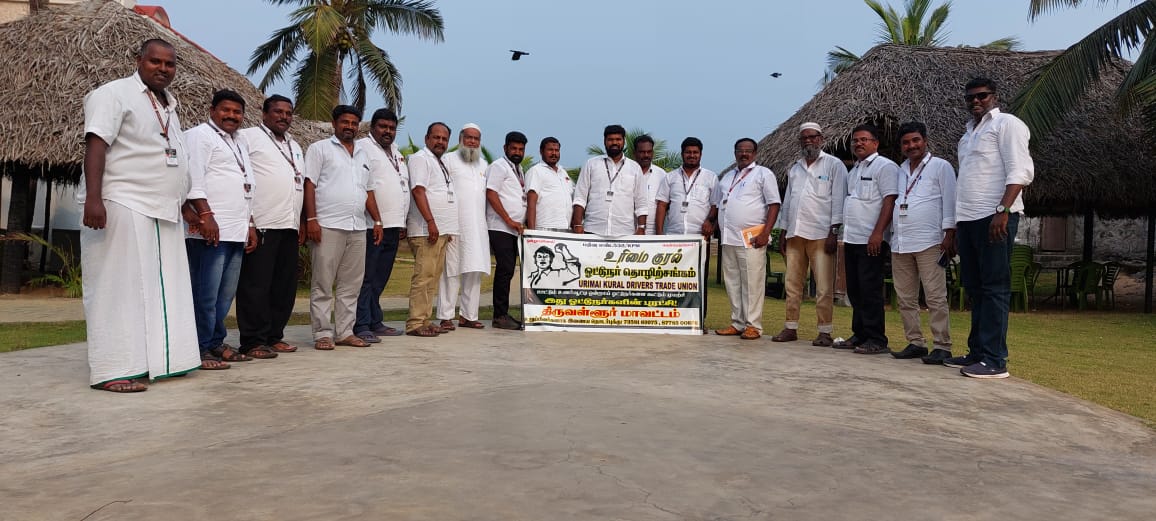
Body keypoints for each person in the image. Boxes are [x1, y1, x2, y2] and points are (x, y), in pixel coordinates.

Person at [78, 38, 201, 392]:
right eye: (155, 61)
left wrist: (184, 204)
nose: (163, 69)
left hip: (163, 211)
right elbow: (96, 144)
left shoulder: (169, 104)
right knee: (118, 289)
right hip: (122, 202)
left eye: (169, 64)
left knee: (164, 291)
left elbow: (168, 157)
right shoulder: (113, 94)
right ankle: (112, 369)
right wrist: (94, 199)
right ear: (139, 60)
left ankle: (163, 361)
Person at [948, 77, 1034, 379]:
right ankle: (977, 352)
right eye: (970, 97)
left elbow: (1020, 171)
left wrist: (1003, 210)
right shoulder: (967, 136)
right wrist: (957, 225)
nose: (976, 101)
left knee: (995, 288)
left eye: (982, 96)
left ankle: (995, 360)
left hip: (994, 217)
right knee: (975, 287)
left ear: (994, 96)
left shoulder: (1007, 124)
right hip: (969, 219)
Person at [183, 89, 261, 366]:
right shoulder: (199, 136)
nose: (231, 116)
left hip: (235, 230)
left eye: (237, 112)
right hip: (209, 230)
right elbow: (193, 179)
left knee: (224, 296)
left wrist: (249, 224)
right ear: (212, 110)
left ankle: (215, 341)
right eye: (226, 110)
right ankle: (200, 347)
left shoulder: (238, 141)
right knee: (205, 294)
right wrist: (205, 215)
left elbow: (246, 186)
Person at [301, 105, 383, 350]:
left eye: (354, 123)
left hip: (357, 226)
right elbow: (309, 184)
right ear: (334, 123)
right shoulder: (319, 149)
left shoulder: (363, 154)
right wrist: (311, 219)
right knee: (323, 283)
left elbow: (368, 190)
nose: (350, 127)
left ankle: (345, 331)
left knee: (351, 284)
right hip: (328, 224)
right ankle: (322, 333)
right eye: (345, 122)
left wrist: (377, 220)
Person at [236, 95, 305, 357]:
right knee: (256, 286)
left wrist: (302, 221)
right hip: (263, 223)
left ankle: (274, 336)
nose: (283, 117)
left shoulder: (294, 145)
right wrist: (250, 220)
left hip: (289, 225)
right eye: (278, 112)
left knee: (284, 286)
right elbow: (240, 175)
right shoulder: (248, 137)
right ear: (264, 114)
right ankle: (253, 341)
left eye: (288, 113)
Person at [771, 122, 847, 347]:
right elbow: (788, 202)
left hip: (821, 233)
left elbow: (839, 200)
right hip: (795, 233)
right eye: (804, 138)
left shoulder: (834, 165)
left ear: (821, 139)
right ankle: (790, 327)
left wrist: (834, 232)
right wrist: (783, 231)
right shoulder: (795, 168)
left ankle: (825, 331)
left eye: (812, 137)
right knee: (792, 284)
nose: (808, 141)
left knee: (823, 286)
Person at [889, 121, 957, 365]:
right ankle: (915, 342)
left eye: (915, 140)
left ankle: (942, 345)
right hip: (901, 242)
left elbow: (950, 201)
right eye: (906, 142)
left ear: (925, 141)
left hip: (930, 241)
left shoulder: (940, 166)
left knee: (935, 296)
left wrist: (949, 234)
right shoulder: (899, 170)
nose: (911, 146)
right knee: (905, 297)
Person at [710, 138, 780, 340]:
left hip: (752, 237)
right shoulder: (727, 177)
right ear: (735, 153)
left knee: (752, 282)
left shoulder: (763, 174)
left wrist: (766, 233)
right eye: (740, 150)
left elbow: (774, 204)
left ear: (755, 153)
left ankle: (753, 325)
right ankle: (737, 323)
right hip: (729, 238)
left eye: (748, 150)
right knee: (733, 282)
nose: (744, 154)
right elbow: (719, 204)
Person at [837, 124, 899, 355]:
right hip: (852, 237)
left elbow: (890, 200)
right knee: (855, 289)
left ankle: (876, 338)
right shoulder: (854, 170)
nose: (858, 143)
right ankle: (860, 333)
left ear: (875, 143)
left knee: (870, 289)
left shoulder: (885, 167)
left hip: (871, 238)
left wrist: (878, 233)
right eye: (855, 140)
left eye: (864, 139)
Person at [353, 108, 409, 343]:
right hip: (372, 226)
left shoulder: (396, 152)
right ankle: (361, 324)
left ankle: (375, 320)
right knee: (366, 278)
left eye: (392, 128)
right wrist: (376, 219)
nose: (388, 131)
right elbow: (365, 186)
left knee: (380, 277)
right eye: (383, 127)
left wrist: (402, 221)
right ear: (372, 127)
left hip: (394, 225)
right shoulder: (363, 148)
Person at [405, 122, 458, 337]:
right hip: (425, 230)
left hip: (440, 231)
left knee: (432, 278)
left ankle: (425, 320)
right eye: (436, 137)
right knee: (423, 277)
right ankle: (415, 323)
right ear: (427, 138)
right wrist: (430, 221)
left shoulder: (439, 161)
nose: (440, 142)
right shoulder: (420, 159)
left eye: (444, 139)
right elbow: (418, 191)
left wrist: (446, 228)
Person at [436, 124, 489, 332]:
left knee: (474, 271)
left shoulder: (484, 165)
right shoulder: (448, 160)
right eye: (469, 138)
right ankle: (446, 316)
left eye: (476, 139)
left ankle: (469, 316)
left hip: (478, 227)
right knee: (451, 271)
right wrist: (444, 223)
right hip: (454, 225)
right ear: (461, 139)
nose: (472, 142)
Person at [485, 131, 529, 330]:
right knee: (505, 269)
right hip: (500, 226)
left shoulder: (520, 170)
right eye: (513, 148)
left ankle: (503, 313)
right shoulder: (499, 166)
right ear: (505, 148)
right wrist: (508, 220)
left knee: (509, 270)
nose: (517, 152)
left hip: (513, 229)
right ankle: (499, 315)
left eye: (521, 149)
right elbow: (491, 193)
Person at [572, 125, 648, 235]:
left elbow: (641, 202)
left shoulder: (634, 168)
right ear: (604, 141)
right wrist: (577, 224)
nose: (614, 143)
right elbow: (580, 197)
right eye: (610, 140)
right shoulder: (591, 164)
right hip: (593, 230)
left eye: (618, 139)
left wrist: (641, 227)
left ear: (624, 141)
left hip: (625, 232)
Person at [655, 137, 717, 236]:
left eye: (695, 152)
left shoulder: (711, 177)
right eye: (688, 152)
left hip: (700, 235)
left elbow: (715, 204)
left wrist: (709, 221)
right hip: (673, 234)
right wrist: (659, 233)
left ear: (701, 154)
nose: (692, 155)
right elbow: (662, 205)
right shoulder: (670, 177)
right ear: (682, 154)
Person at [525, 137, 572, 232]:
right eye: (550, 150)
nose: (554, 153)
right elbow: (531, 202)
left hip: (565, 229)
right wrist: (532, 233)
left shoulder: (563, 173)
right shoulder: (536, 170)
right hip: (544, 229)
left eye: (557, 150)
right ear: (541, 152)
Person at [632, 135, 666, 235]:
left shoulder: (662, 175)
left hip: (653, 233)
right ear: (635, 153)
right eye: (642, 152)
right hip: (628, 231)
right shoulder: (626, 172)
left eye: (649, 152)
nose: (646, 155)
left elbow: (665, 205)